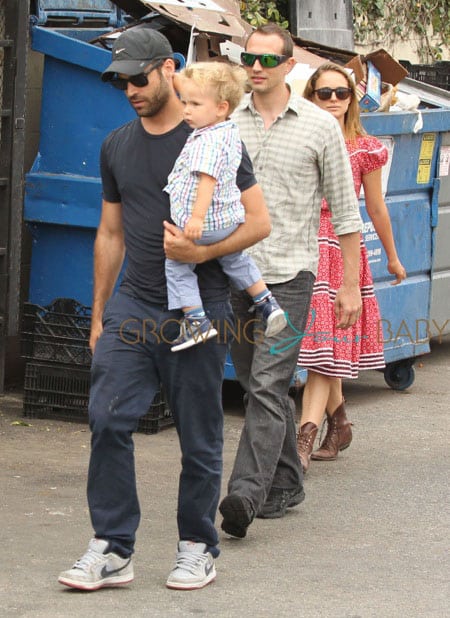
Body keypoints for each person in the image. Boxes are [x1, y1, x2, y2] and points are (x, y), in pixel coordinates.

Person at [57, 26, 271, 592]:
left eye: (139, 77)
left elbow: (259, 223)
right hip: (134, 304)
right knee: (107, 418)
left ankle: (197, 546)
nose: (129, 88)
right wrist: (100, 313)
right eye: (120, 80)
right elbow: (110, 232)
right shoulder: (117, 145)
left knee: (199, 436)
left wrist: (201, 250)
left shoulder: (218, 137)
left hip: (200, 307)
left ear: (169, 68)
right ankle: (112, 547)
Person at [164, 22, 362, 539]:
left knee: (270, 387)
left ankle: (244, 497)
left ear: (289, 66)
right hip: (235, 273)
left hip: (291, 277)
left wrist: (348, 285)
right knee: (257, 390)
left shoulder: (320, 127)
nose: (257, 68)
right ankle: (288, 482)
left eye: (268, 61)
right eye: (250, 59)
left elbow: (346, 214)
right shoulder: (223, 122)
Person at [296, 62, 406, 472]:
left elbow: (376, 208)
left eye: (341, 94)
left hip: (341, 251)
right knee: (322, 345)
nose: (334, 101)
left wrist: (393, 256)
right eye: (324, 93)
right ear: (310, 96)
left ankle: (303, 440)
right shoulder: (298, 138)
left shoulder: (364, 147)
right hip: (301, 246)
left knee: (326, 348)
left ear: (351, 100)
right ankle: (339, 423)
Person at [164, 62, 286, 352]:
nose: (186, 110)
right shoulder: (229, 129)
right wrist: (173, 77)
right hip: (229, 221)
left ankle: (196, 321)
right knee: (235, 259)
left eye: (194, 104)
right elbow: (195, 87)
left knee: (177, 266)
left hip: (205, 224)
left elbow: (207, 180)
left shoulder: (206, 140)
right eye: (184, 102)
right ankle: (267, 303)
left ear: (221, 107)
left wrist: (196, 218)